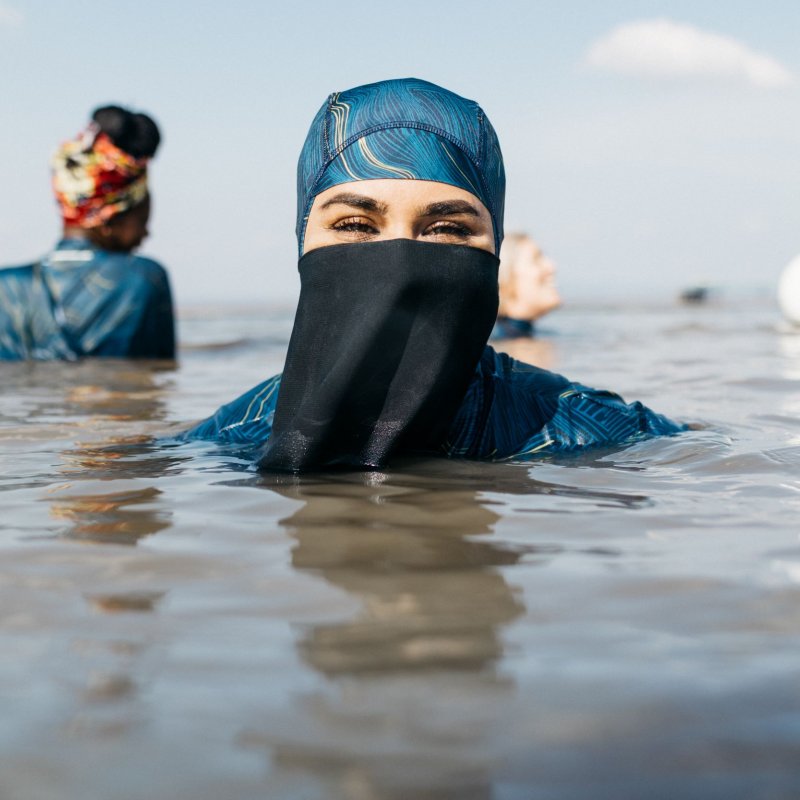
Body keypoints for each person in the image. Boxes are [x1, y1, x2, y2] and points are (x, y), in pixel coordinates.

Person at [181, 77, 684, 471]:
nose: (399, 264)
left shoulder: (601, 433)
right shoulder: (228, 438)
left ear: (496, 247)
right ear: (303, 238)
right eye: (355, 224)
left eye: (444, 229)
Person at [0, 105, 175, 360]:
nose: (146, 233)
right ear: (107, 219)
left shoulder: (6, 286)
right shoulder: (144, 280)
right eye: (142, 219)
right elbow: (158, 379)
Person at [492, 232, 561, 340]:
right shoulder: (496, 345)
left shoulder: (532, 336)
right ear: (504, 281)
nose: (551, 267)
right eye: (536, 259)